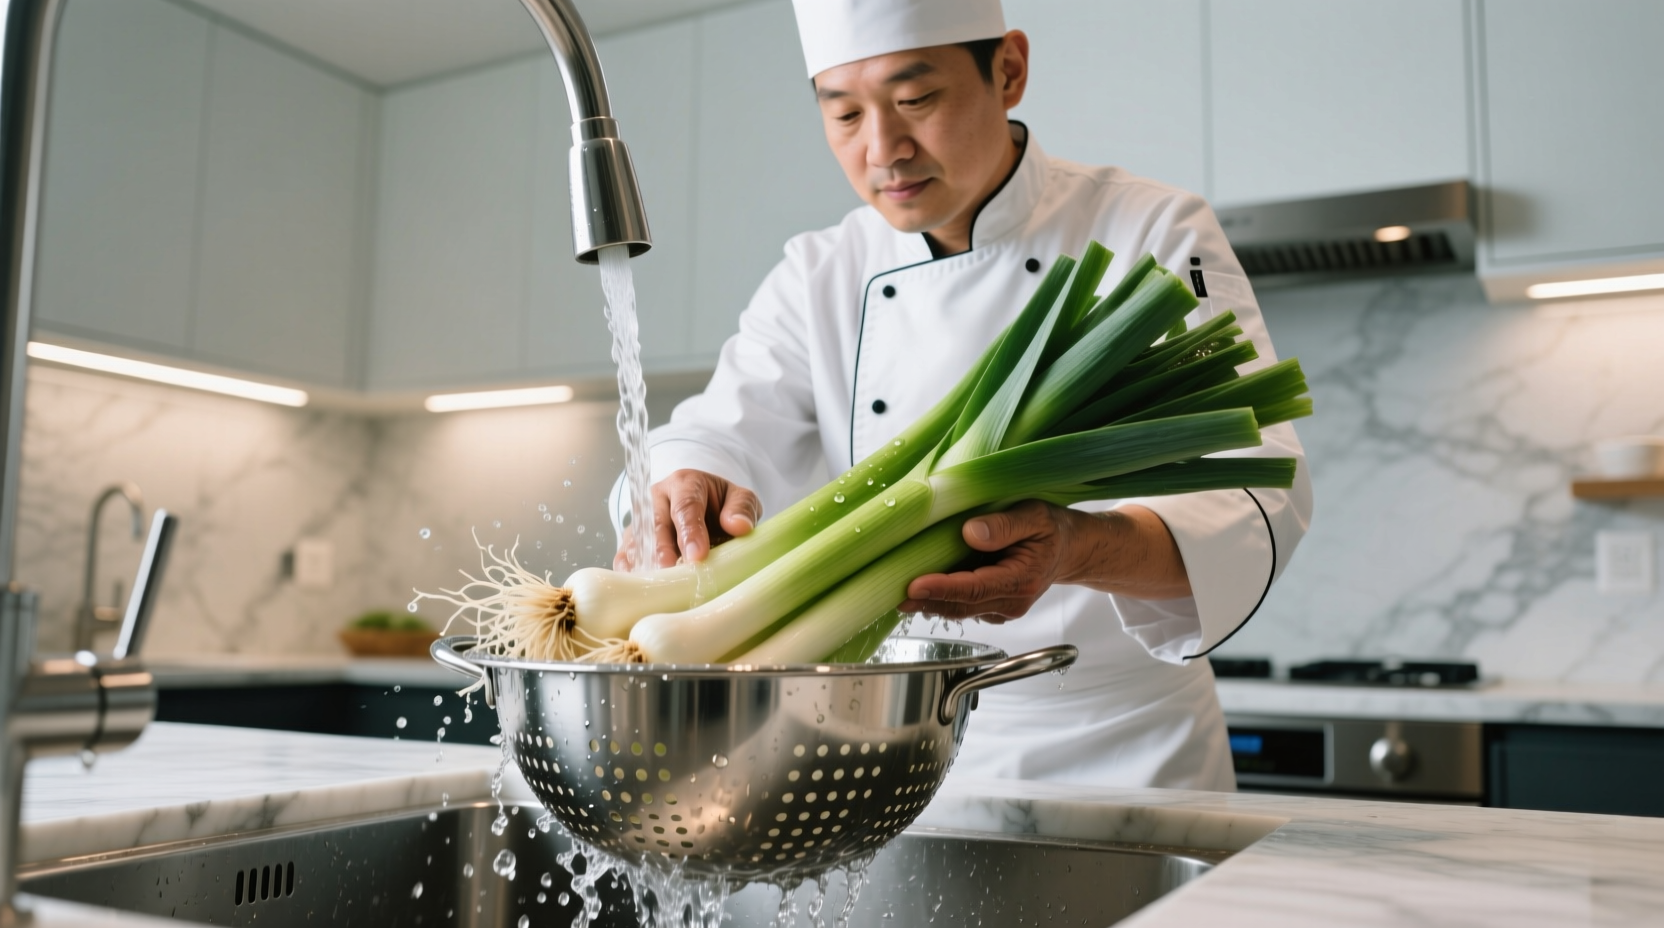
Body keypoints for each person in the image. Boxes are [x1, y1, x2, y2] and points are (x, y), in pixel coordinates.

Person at [611, 0, 1310, 790]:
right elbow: (720, 429)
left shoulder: (1149, 232)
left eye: (916, 101)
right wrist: (685, 473)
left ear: (1009, 70)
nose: (884, 150)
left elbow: (1257, 494)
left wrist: (1074, 547)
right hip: (892, 754)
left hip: (1122, 750)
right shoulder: (820, 273)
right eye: (843, 114)